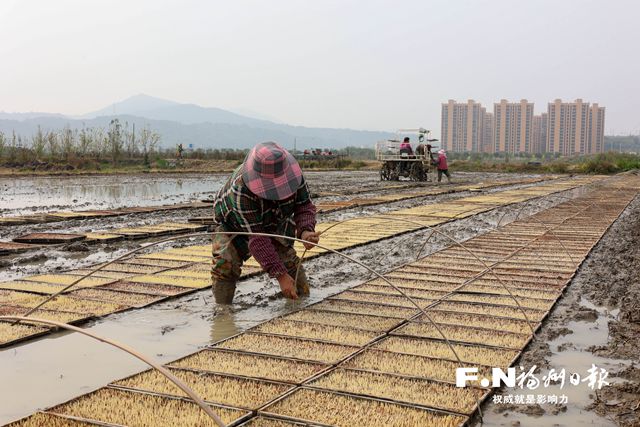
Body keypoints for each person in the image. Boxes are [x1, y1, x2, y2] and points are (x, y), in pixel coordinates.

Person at [211, 142, 320, 304]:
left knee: (288, 262)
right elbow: (258, 238)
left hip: (274, 219)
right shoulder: (240, 188)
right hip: (235, 224)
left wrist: (306, 231)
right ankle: (223, 312)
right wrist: (280, 276)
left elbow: (304, 205)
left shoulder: (294, 176)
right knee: (225, 264)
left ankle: (302, 302)